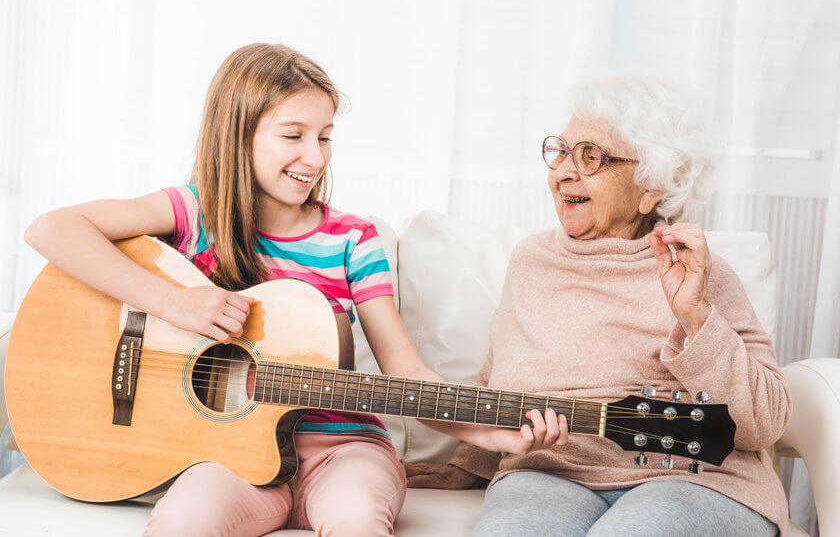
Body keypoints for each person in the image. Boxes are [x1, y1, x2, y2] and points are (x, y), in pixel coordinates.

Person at [23, 43, 567, 536]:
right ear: (238, 135)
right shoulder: (191, 214)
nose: (316, 157)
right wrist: (173, 302)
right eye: (293, 136)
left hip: (341, 451)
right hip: (227, 459)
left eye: (325, 137)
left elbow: (405, 373)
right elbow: (51, 228)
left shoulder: (354, 239)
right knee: (183, 521)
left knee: (356, 517)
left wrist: (493, 435)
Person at [406, 74, 790, 536]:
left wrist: (696, 316)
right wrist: (471, 462)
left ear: (652, 186)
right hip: (547, 473)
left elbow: (763, 424)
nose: (564, 172)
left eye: (591, 157)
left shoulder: (699, 272)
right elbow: (500, 377)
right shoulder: (531, 261)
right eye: (562, 152)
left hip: (693, 477)